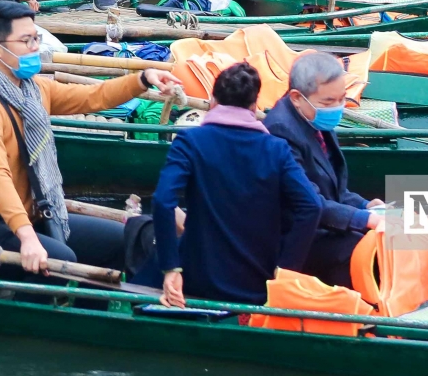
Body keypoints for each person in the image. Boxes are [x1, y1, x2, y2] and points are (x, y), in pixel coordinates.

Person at [0, 1, 179, 275]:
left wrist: (142, 79)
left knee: (125, 240)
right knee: (63, 259)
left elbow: (92, 97)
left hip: (37, 216)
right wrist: (27, 238)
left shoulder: (34, 89)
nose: (35, 47)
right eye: (26, 41)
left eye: (36, 38)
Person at [153, 61, 322, 306]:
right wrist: (286, 270)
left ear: (213, 101)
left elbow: (162, 201)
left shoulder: (190, 140)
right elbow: (312, 206)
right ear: (254, 106)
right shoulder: (277, 149)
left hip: (198, 280)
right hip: (259, 284)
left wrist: (171, 268)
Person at [263, 51, 381, 288]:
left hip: (324, 225)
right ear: (297, 97)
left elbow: (334, 189)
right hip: (297, 237)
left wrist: (365, 205)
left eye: (341, 99)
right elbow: (308, 201)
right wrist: (366, 219)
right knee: (365, 250)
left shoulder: (313, 117)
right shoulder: (280, 131)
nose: (337, 107)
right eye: (328, 102)